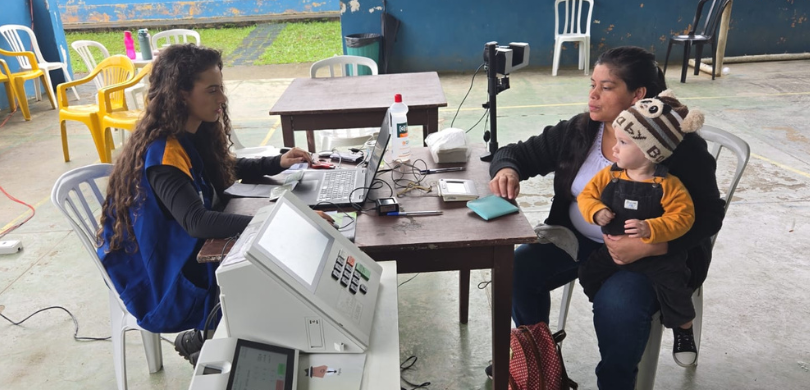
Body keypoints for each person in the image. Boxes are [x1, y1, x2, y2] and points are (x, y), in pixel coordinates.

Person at [487, 46, 725, 388]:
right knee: (517, 271)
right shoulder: (581, 130)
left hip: (649, 255)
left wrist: (653, 247)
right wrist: (507, 169)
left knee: (619, 307)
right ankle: (540, 368)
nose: (593, 95)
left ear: (638, 95)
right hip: (575, 237)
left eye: (607, 87)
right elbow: (516, 153)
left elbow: (709, 215)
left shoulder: (676, 145)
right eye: (591, 84)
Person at [96, 44, 334, 365]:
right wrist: (282, 219)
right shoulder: (164, 152)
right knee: (266, 262)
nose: (222, 98)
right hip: (163, 278)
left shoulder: (190, 131)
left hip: (183, 250)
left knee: (264, 253)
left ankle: (207, 337)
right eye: (212, 90)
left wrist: (277, 161)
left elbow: (221, 167)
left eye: (220, 88)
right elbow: (198, 222)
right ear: (180, 94)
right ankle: (215, 338)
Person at [577, 91, 704, 367]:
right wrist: (596, 211)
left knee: (675, 290)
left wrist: (651, 228)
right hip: (613, 251)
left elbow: (683, 218)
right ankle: (602, 300)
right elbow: (586, 196)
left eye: (623, 142)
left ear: (650, 151)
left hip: (658, 257)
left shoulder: (668, 185)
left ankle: (684, 329)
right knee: (588, 273)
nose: (614, 148)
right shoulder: (609, 175)